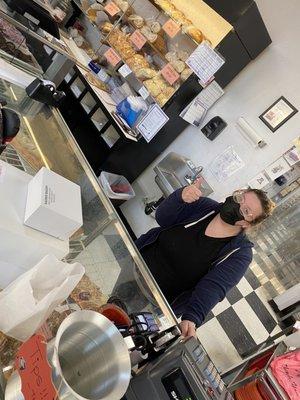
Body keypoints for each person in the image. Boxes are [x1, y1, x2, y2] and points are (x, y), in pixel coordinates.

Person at [136, 180, 275, 338]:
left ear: (246, 224)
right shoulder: (205, 206)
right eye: (239, 198)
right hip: (137, 262)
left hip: (158, 301)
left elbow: (213, 287)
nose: (236, 204)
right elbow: (163, 218)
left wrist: (192, 316)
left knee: (128, 327)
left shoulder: (240, 254)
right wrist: (180, 197)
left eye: (245, 210)